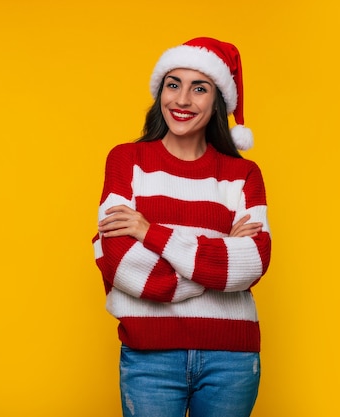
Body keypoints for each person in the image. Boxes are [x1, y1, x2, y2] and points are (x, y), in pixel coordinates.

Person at [92, 37, 271, 417]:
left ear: (218, 100)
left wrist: (150, 232)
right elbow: (121, 263)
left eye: (199, 88)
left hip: (232, 360)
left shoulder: (243, 175)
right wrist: (219, 255)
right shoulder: (127, 161)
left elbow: (252, 262)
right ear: (160, 93)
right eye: (173, 84)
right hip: (149, 357)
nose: (183, 100)